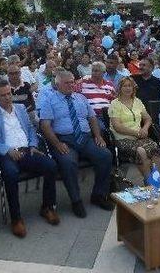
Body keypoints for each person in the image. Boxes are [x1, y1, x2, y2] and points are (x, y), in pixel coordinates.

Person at [0, 80, 59, 238]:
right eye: (3, 95)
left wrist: (33, 145)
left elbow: (30, 129)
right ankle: (16, 218)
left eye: (9, 93)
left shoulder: (21, 108)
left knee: (50, 165)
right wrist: (7, 150)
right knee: (10, 175)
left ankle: (47, 207)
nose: (7, 97)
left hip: (27, 150)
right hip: (7, 154)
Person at [38, 70, 113, 218]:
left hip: (85, 138)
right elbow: (45, 125)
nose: (71, 84)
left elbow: (92, 118)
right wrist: (57, 143)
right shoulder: (49, 100)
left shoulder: (81, 98)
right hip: (64, 140)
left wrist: (98, 136)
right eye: (67, 82)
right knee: (68, 162)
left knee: (105, 155)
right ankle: (76, 200)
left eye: (72, 81)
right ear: (57, 84)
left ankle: (98, 195)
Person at [108, 77, 160, 182]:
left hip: (140, 137)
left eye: (130, 86)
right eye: (125, 86)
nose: (128, 88)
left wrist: (145, 128)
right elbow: (117, 127)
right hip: (122, 138)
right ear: (119, 88)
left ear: (133, 88)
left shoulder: (137, 101)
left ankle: (157, 181)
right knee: (141, 152)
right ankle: (149, 183)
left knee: (155, 148)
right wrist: (137, 133)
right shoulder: (115, 104)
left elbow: (148, 118)